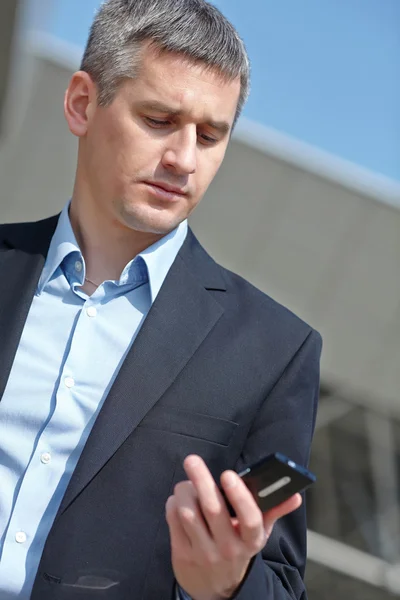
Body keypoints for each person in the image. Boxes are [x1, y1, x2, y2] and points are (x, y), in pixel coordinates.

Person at [0, 0, 322, 598]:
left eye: (210, 135)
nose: (183, 159)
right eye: (157, 119)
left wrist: (225, 585)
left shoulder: (274, 351)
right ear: (81, 104)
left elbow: (280, 583)